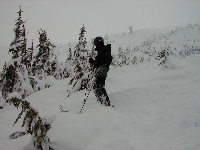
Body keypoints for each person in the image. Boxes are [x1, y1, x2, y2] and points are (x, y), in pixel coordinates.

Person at [89, 36, 112, 106]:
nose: (94, 44)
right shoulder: (102, 50)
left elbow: (101, 62)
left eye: (95, 42)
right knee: (97, 86)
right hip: (103, 69)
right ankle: (102, 101)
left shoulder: (102, 49)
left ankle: (105, 102)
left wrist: (92, 61)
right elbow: (101, 62)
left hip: (102, 69)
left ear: (98, 42)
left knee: (98, 85)